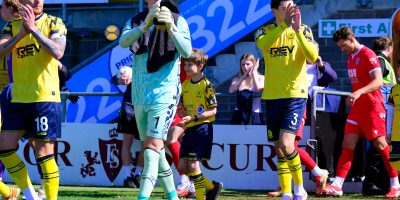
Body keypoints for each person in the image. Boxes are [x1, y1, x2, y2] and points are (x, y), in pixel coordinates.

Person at [119, 0, 191, 199]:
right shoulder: (135, 20)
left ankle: (142, 197)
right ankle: (172, 196)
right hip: (139, 95)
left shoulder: (179, 20)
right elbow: (123, 42)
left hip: (164, 94)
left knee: (150, 148)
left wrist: (171, 28)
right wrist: (144, 26)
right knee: (155, 152)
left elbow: (187, 52)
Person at [319, 26, 400, 198]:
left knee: (382, 147)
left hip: (372, 108)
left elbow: (378, 81)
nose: (342, 49)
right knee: (347, 146)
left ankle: (396, 184)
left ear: (351, 38)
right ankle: (338, 185)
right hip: (357, 110)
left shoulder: (369, 55)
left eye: (343, 45)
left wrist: (358, 92)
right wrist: (355, 95)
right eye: (339, 46)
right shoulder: (350, 57)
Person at [0, 0, 66, 200]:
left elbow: (58, 51)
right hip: (18, 98)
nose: (38, 1)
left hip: (44, 97)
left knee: (43, 153)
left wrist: (34, 30)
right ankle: (30, 197)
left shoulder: (54, 22)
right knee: (4, 148)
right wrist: (22, 33)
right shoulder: (11, 26)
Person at [255, 0, 318, 199]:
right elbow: (264, 45)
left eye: (293, 6)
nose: (291, 10)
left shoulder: (303, 29)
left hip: (295, 94)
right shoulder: (264, 31)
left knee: (287, 143)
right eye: (285, 8)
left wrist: (297, 31)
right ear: (274, 11)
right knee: (279, 148)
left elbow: (312, 56)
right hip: (272, 96)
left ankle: (300, 188)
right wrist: (284, 25)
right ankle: (286, 193)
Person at [268, 42, 336, 197]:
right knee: (281, 147)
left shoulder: (320, 66)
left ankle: (316, 174)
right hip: (284, 104)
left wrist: (321, 65)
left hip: (302, 107)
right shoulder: (295, 63)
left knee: (288, 145)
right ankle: (287, 186)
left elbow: (333, 77)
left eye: (311, 50)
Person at [177, 48, 222, 200]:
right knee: (182, 167)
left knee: (193, 166)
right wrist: (181, 114)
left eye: (190, 65)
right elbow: (181, 108)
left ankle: (201, 197)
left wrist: (194, 118)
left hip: (202, 128)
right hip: (190, 129)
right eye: (185, 64)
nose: (186, 68)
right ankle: (211, 187)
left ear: (200, 66)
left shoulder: (206, 85)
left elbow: (213, 111)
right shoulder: (185, 85)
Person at [111, 66, 143, 188]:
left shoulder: (150, 66)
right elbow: (115, 80)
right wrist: (125, 77)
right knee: (127, 142)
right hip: (129, 108)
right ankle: (127, 176)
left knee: (145, 144)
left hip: (143, 109)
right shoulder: (134, 65)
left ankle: (137, 174)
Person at [228, 53, 265, 125]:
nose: (245, 67)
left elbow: (258, 89)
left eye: (248, 64)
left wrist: (253, 73)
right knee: (235, 135)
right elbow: (231, 90)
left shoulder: (261, 78)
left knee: (256, 135)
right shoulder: (237, 79)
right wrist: (243, 76)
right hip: (239, 113)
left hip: (255, 112)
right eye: (242, 64)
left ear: (254, 65)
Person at [372, 37, 396, 136]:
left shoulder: (377, 60)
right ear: (390, 48)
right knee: (382, 135)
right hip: (383, 105)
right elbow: (377, 79)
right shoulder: (380, 60)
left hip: (383, 104)